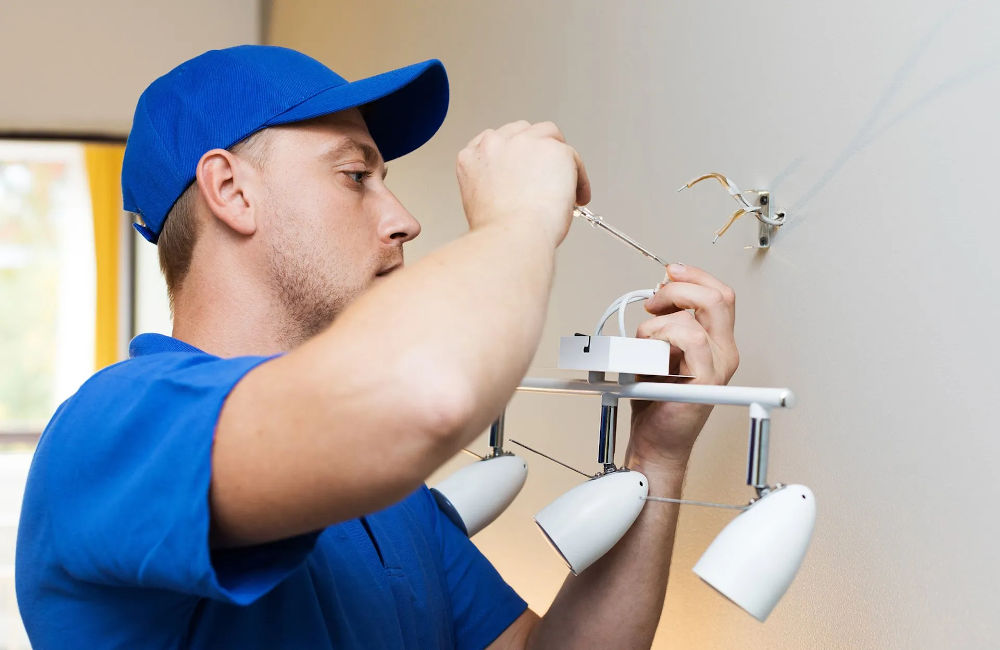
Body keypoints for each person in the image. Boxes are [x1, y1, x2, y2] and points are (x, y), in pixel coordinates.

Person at [15, 45, 739, 649]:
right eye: (356, 175)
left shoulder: (386, 496)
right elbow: (423, 397)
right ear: (231, 192)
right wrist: (515, 221)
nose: (403, 219)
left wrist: (658, 455)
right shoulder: (116, 432)